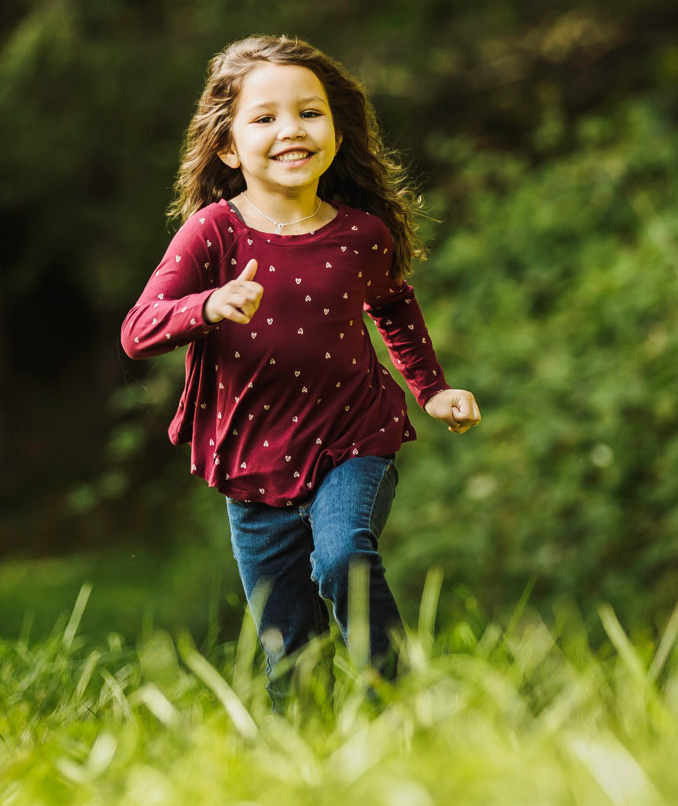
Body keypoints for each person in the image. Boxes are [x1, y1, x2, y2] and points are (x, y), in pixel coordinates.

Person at [120, 34, 481, 691]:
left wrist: (431, 391)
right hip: (254, 459)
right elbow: (139, 330)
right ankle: (310, 765)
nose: (292, 129)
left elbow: (394, 308)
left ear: (337, 131)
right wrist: (207, 305)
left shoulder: (362, 235)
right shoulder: (212, 233)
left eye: (310, 112)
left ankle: (398, 697)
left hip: (353, 439)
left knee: (344, 556)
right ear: (228, 146)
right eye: (265, 117)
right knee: (291, 656)